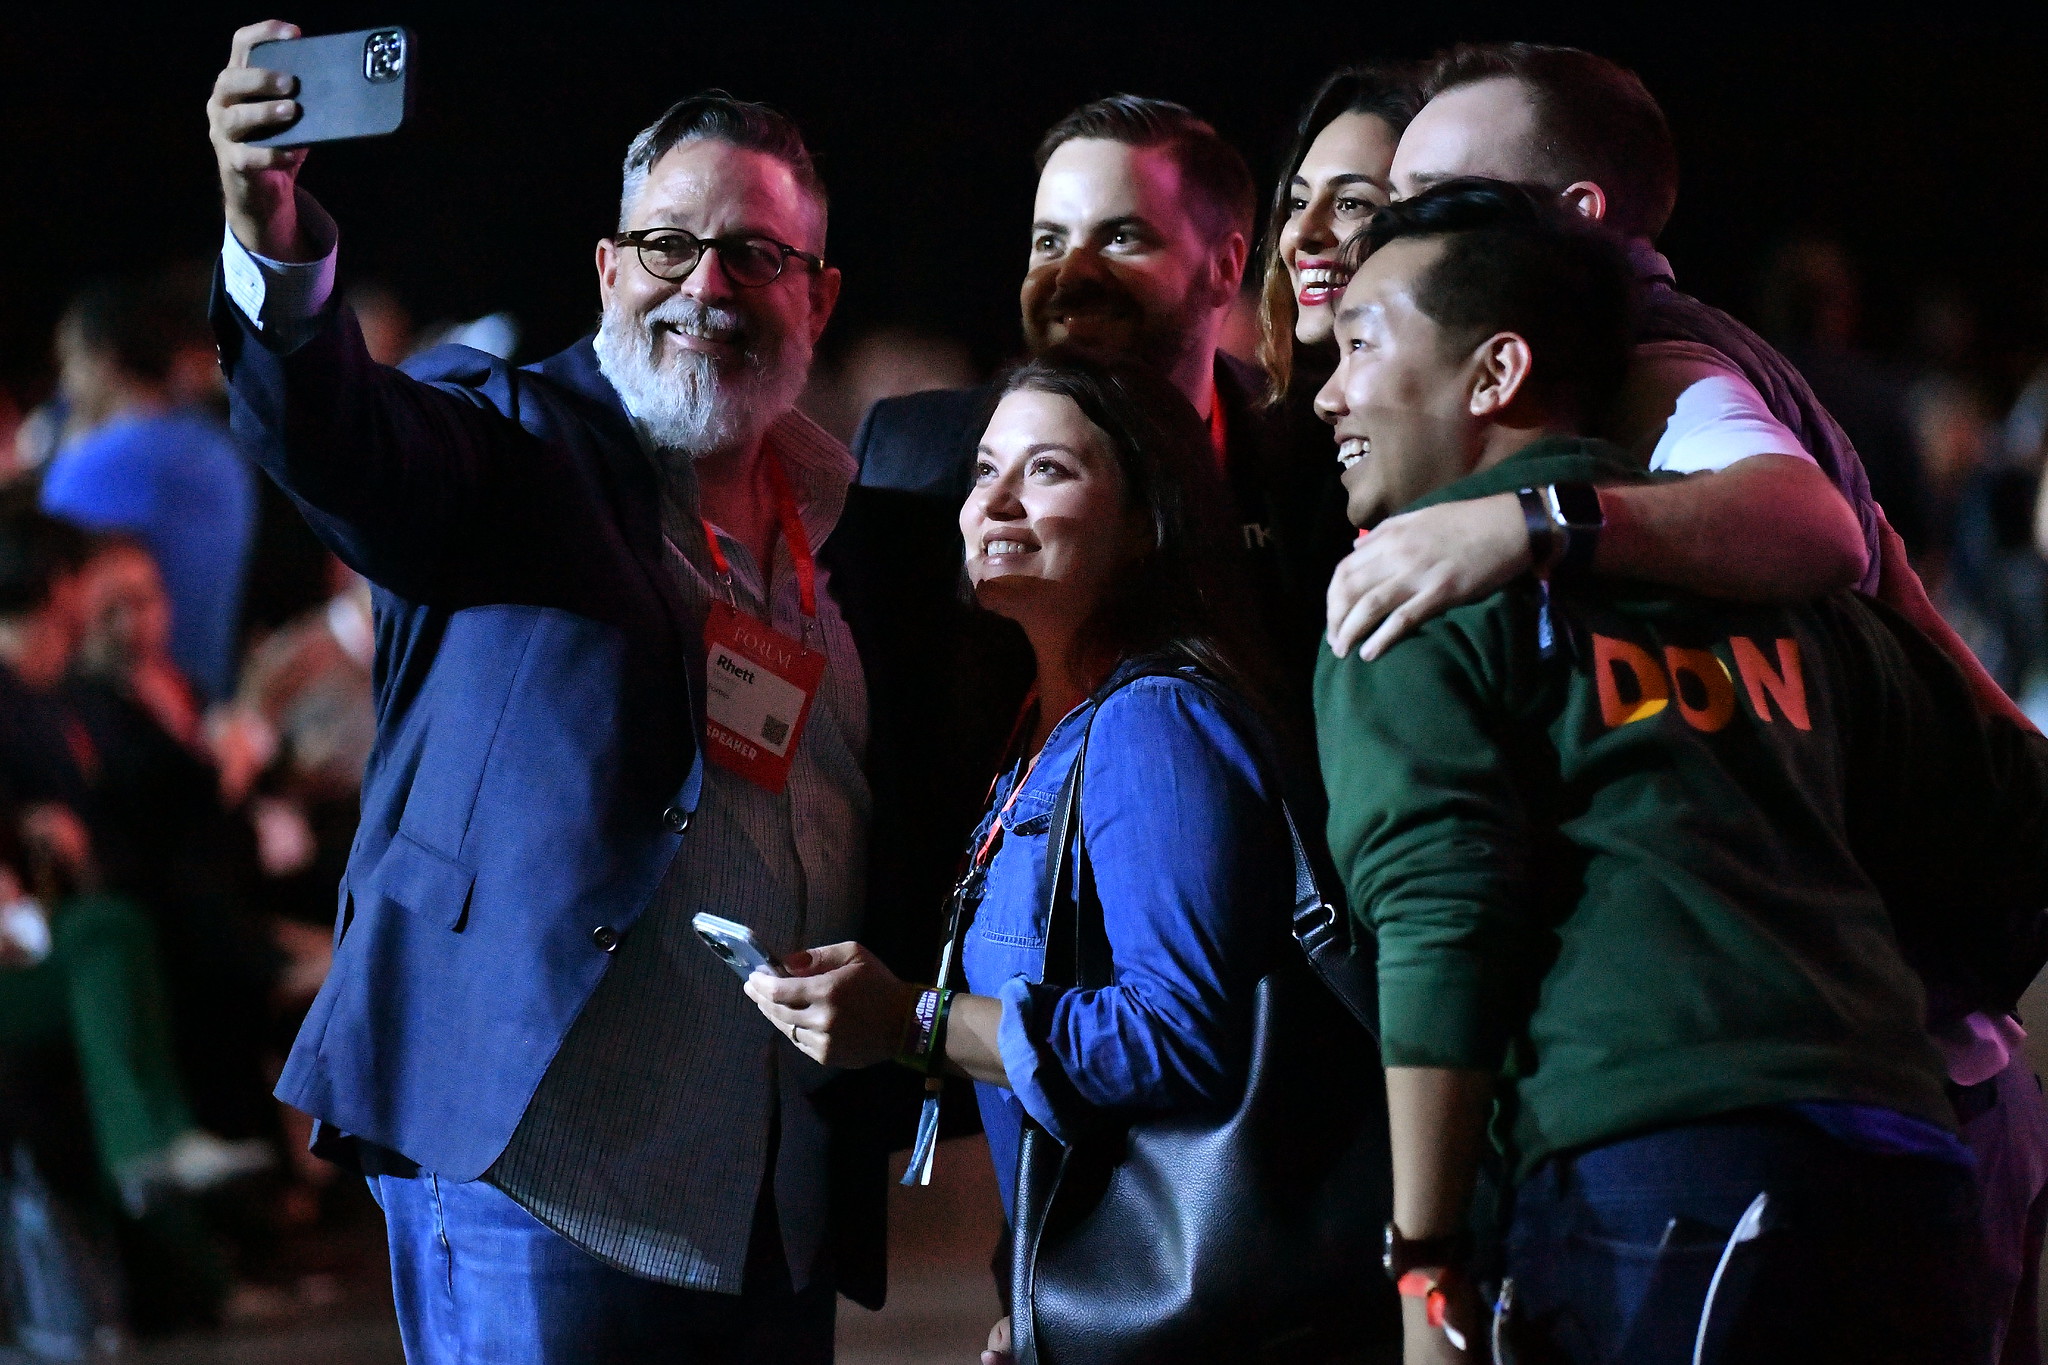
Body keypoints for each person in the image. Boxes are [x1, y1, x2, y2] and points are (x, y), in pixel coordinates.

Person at [206, 20, 1009, 1364]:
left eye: (756, 253)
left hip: (770, 1195)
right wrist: (271, 237)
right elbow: (344, 436)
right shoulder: (514, 441)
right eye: (667, 244)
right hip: (546, 1179)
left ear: (818, 295)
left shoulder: (863, 534)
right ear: (605, 268)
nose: (706, 282)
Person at [1321, 43, 2048, 1358]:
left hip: (1687, 1173)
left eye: (1432, 185)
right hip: (1911, 1128)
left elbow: (1818, 525)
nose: (1390, 210)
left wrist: (1424, 1263)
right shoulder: (1687, 526)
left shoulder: (1661, 383)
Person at [747, 350, 1327, 1364]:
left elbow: (1175, 1035)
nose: (996, 501)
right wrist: (1035, 1278)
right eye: (981, 471)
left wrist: (910, 1022)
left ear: (1147, 520)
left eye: (1048, 471)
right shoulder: (1042, 732)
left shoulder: (1156, 726)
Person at [855, 96, 1346, 706]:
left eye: (1120, 238)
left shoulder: (1315, 462)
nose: (1073, 274)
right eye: (1050, 242)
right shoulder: (909, 456)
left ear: (1225, 267)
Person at [38, 273, 257, 703]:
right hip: (200, 702)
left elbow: (44, 578)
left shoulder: (101, 460)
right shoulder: (217, 449)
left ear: (104, 361)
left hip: (122, 713)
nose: (65, 385)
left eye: (71, 363)